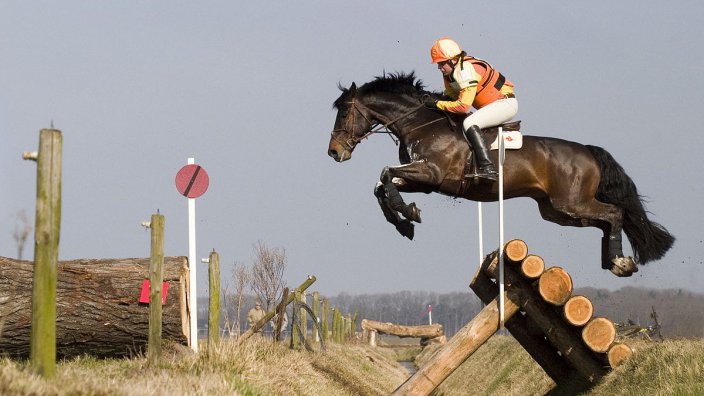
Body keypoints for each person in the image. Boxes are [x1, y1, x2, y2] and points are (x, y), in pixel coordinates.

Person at [424, 37, 518, 182]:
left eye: (442, 63)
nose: (439, 68)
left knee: (469, 123)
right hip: (492, 106)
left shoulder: (465, 70)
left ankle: (489, 169)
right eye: (438, 64)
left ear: (453, 60)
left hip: (505, 104)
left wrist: (436, 104)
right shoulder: (450, 73)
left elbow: (462, 106)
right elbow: (450, 97)